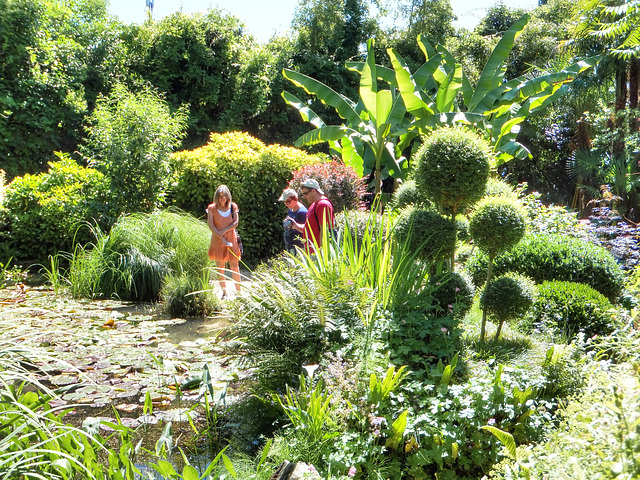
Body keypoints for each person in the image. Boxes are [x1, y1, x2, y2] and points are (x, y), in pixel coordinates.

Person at [206, 185, 241, 299]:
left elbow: (235, 223)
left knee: (234, 266)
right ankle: (224, 292)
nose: (222, 199)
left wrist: (224, 231)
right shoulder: (212, 208)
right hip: (217, 240)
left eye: (224, 196)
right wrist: (220, 237)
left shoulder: (233, 206)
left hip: (231, 239)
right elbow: (211, 225)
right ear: (217, 197)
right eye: (220, 196)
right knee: (220, 266)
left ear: (228, 197)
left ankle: (239, 293)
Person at [291, 178, 335, 252]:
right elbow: (309, 229)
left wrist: (322, 253)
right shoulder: (314, 205)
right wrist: (296, 226)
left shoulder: (323, 204)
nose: (304, 196)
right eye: (303, 194)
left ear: (314, 190)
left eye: (306, 193)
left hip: (318, 253)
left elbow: (324, 231)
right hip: (311, 251)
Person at [278, 188, 308, 255]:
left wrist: (296, 226)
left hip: (300, 248)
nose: (287, 205)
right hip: (291, 246)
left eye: (288, 202)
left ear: (295, 199)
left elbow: (307, 230)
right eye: (285, 203)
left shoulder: (302, 212)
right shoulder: (291, 209)